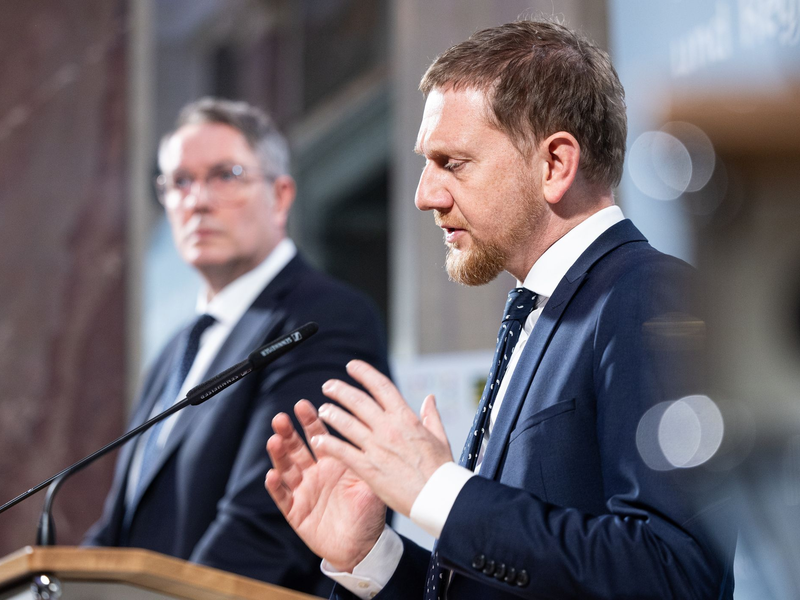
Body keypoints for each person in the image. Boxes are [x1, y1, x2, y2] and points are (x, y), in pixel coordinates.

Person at [264, 20, 735, 599]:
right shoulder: (543, 313)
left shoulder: (649, 296)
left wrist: (438, 490)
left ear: (555, 165)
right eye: (425, 163)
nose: (424, 195)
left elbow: (672, 574)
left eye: (453, 163)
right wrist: (373, 556)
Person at [84, 98, 390, 597]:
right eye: (179, 181)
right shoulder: (174, 351)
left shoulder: (323, 319)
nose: (198, 200)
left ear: (281, 195)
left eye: (225, 175)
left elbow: (268, 522)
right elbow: (119, 529)